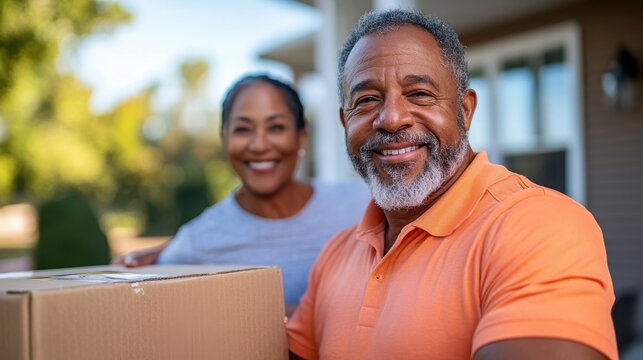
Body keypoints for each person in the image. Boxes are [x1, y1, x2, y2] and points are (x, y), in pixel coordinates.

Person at [286, 9, 618, 360]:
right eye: (367, 100)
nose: (392, 119)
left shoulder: (538, 225)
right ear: (345, 121)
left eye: (419, 94)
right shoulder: (336, 253)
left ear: (465, 110)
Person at [112, 74, 371, 313]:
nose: (259, 145)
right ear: (224, 139)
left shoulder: (362, 203)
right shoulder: (197, 242)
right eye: (243, 129)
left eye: (276, 127)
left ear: (301, 136)